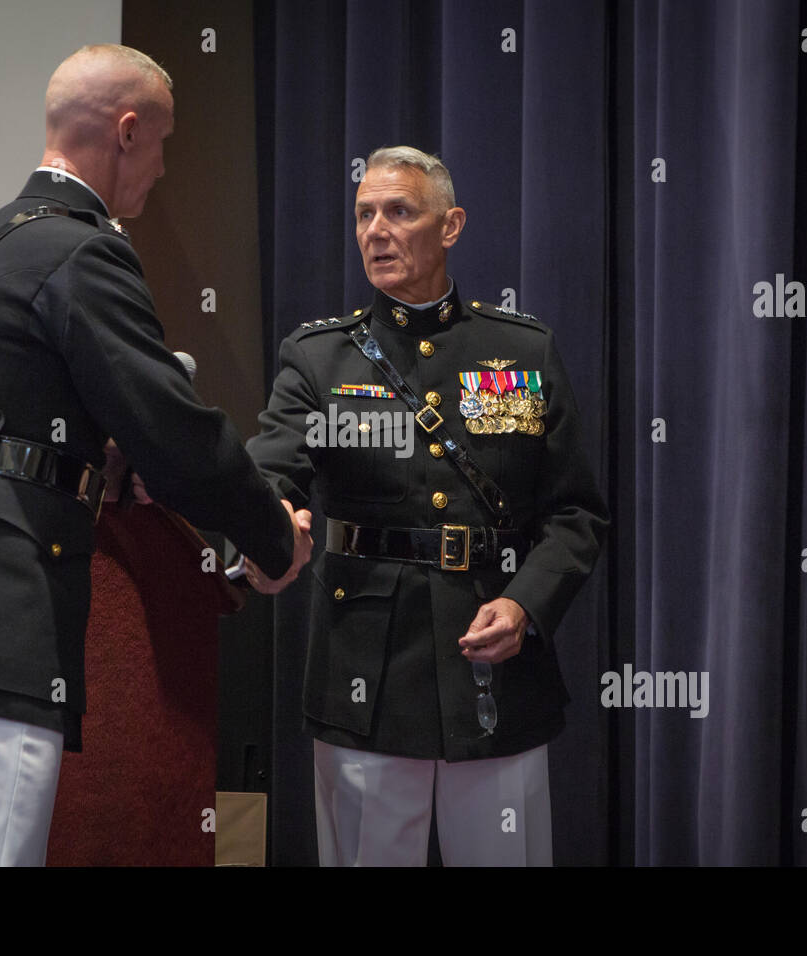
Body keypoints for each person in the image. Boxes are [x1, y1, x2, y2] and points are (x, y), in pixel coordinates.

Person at [0, 44, 312, 866]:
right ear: (127, 131)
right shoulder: (86, 251)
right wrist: (270, 535)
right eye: (161, 143)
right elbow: (174, 428)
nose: (161, 170)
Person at [244, 146, 609, 865]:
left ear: (451, 226)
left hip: (495, 668)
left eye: (399, 212)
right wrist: (264, 532)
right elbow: (272, 473)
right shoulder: (320, 358)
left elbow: (574, 514)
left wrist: (527, 607)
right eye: (364, 215)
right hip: (366, 678)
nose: (376, 230)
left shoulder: (520, 351)